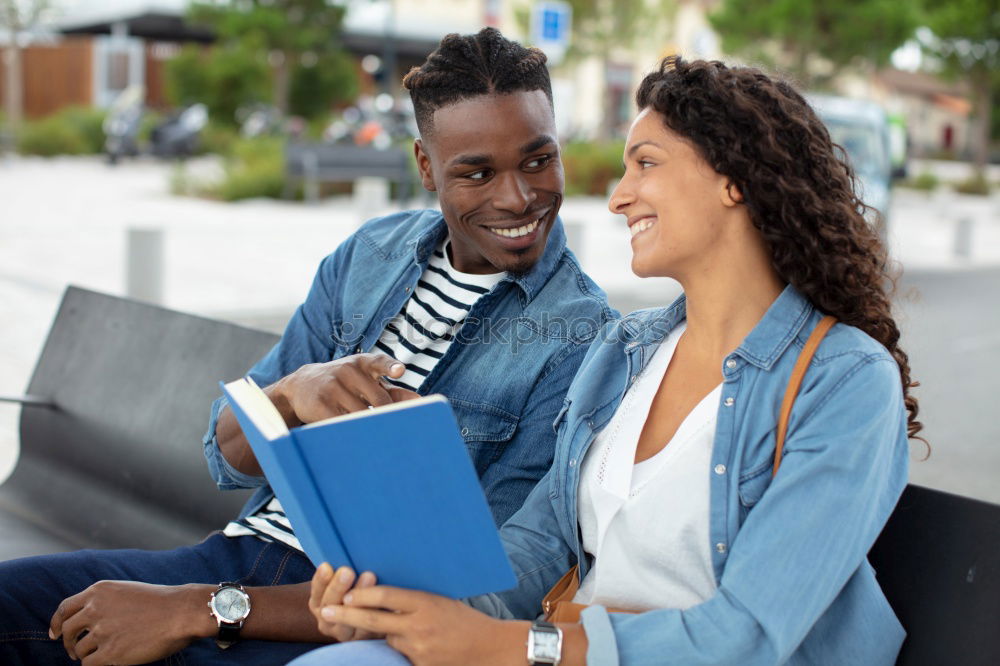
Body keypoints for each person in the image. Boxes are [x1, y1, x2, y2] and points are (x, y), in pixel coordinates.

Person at [0, 28, 615, 666]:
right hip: (235, 558)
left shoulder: (582, 337)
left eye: (538, 160)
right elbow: (227, 453)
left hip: (340, 625)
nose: (517, 197)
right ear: (427, 168)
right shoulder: (369, 256)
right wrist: (293, 393)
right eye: (477, 172)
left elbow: (479, 588)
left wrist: (199, 609)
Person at [296, 56, 923, 665]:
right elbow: (541, 544)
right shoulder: (624, 352)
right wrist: (407, 607)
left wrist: (507, 649)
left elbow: (750, 634)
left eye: (645, 164)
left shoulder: (844, 381)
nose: (619, 198)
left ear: (736, 179)